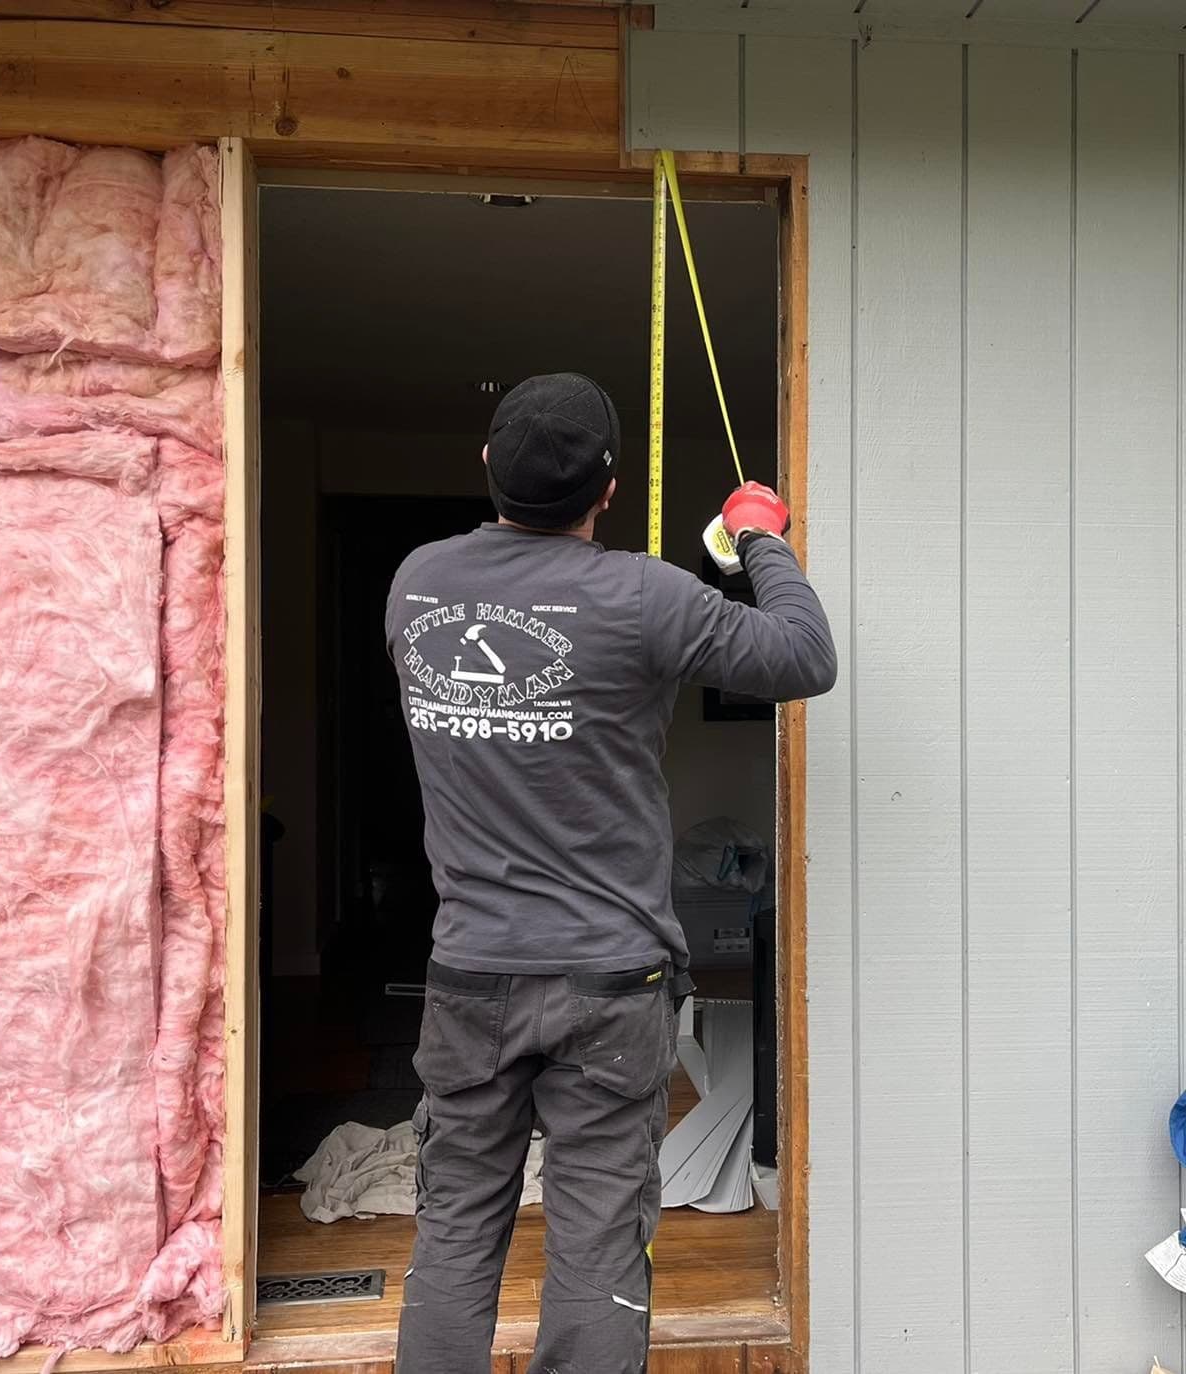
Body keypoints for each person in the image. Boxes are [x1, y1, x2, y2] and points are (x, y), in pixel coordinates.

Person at [385, 373, 836, 1374]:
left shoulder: (415, 584)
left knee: (455, 1236)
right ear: (612, 489)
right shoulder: (646, 596)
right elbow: (804, 656)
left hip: (468, 980)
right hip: (607, 988)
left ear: (488, 467)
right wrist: (756, 532)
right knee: (595, 1254)